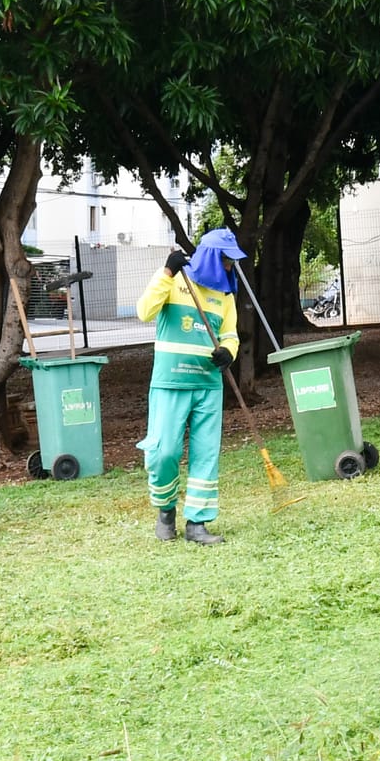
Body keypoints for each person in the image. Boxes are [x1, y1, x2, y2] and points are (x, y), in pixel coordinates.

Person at [136, 228, 244, 545]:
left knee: (206, 454)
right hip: (170, 382)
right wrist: (167, 272)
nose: (230, 266)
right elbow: (144, 311)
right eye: (225, 260)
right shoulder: (174, 280)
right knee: (163, 451)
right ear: (210, 257)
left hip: (208, 385)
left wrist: (228, 352)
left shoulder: (225, 296)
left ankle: (198, 522)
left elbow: (230, 335)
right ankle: (165, 511)